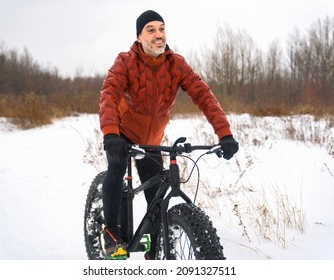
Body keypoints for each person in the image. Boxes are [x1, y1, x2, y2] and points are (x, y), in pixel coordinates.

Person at [99, 10, 239, 259]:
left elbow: (203, 95)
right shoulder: (126, 61)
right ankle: (111, 230)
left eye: (161, 28)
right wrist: (111, 134)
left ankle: (154, 248)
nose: (158, 34)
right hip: (123, 133)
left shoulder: (176, 64)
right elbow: (109, 93)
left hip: (152, 138)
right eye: (150, 30)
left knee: (156, 197)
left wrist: (224, 134)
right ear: (139, 37)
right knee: (117, 168)